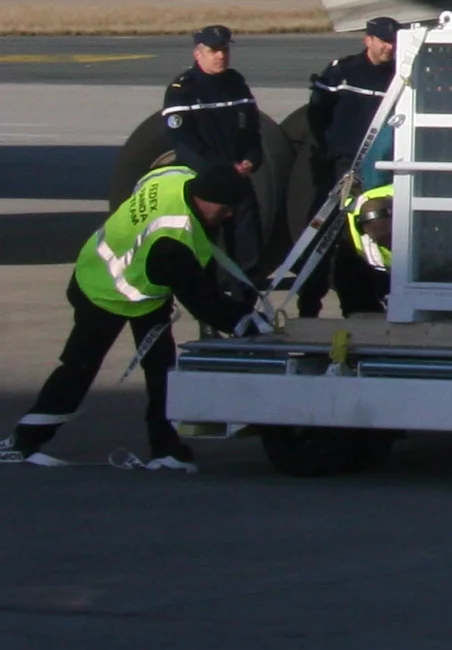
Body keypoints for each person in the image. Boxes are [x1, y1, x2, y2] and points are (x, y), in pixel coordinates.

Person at [4, 161, 258, 470]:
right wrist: (246, 321)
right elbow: (203, 302)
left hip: (121, 277)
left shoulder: (177, 176)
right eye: (226, 207)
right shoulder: (173, 239)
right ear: (205, 199)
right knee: (79, 368)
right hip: (106, 291)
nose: (229, 215)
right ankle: (22, 442)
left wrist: (227, 173)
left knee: (161, 368)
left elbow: (149, 181)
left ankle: (165, 448)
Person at [296, 18, 403, 318]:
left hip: (379, 173)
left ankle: (369, 303)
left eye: (393, 42)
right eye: (383, 41)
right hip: (341, 169)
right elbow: (317, 114)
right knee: (321, 239)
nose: (389, 47)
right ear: (367, 40)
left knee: (373, 237)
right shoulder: (343, 72)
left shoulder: (400, 77)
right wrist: (330, 150)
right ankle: (308, 304)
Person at [159, 26, 265, 274]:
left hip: (238, 181)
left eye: (225, 50)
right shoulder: (183, 90)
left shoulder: (236, 84)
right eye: (214, 51)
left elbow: (252, 132)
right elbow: (184, 142)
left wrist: (251, 160)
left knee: (249, 252)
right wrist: (219, 170)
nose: (221, 56)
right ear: (198, 53)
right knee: (203, 253)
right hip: (206, 185)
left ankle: (247, 305)